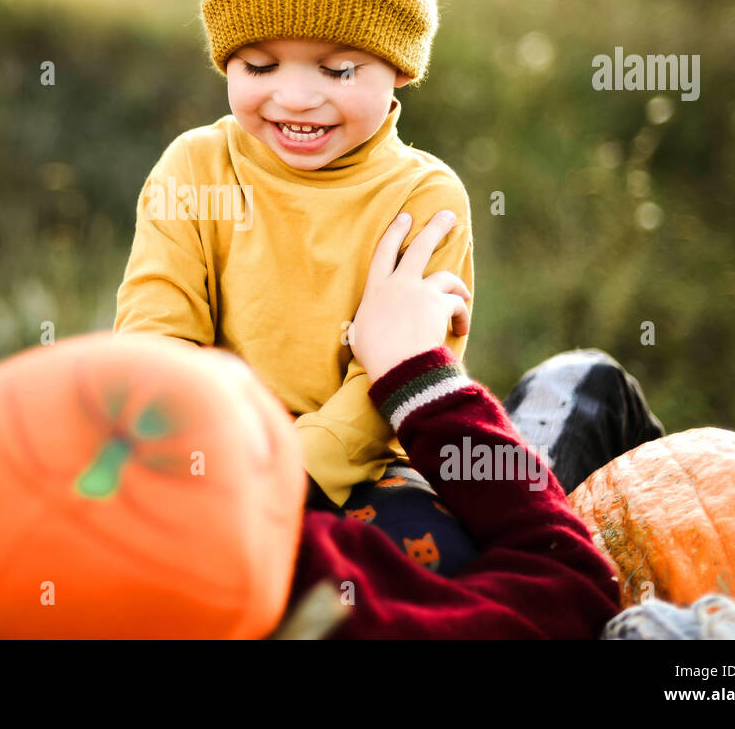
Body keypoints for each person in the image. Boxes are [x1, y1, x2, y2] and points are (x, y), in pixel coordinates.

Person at [114, 0, 475, 524]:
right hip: (211, 459)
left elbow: (393, 382)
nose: (297, 96)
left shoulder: (425, 200)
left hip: (366, 476)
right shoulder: (195, 168)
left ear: (400, 61)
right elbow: (157, 339)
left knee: (420, 563)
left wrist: (283, 472)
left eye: (339, 68)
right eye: (260, 65)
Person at [281, 210, 663, 637]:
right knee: (588, 380)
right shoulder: (293, 582)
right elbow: (569, 593)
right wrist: (415, 374)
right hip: (508, 551)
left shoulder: (222, 553)